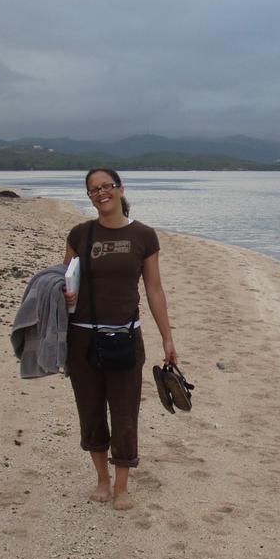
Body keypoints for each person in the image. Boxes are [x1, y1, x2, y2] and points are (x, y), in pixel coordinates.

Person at [62, 168, 178, 511]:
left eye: (106, 186)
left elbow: (154, 289)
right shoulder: (80, 234)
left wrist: (167, 338)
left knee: (125, 413)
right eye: (93, 190)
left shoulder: (144, 236)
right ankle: (102, 480)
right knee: (92, 412)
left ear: (120, 189)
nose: (101, 193)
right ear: (90, 196)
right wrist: (65, 296)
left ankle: (123, 486)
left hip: (126, 337)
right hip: (83, 339)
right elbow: (64, 280)